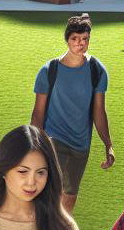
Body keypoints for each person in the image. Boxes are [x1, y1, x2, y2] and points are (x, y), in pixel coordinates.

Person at [29, 14, 114, 215]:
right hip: (53, 138)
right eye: (75, 38)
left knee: (70, 194)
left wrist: (108, 144)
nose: (80, 43)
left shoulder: (97, 70)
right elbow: (38, 113)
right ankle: (43, 229)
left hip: (81, 143)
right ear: (67, 39)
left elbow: (99, 111)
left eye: (85, 39)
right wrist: (34, 144)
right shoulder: (49, 70)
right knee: (51, 190)